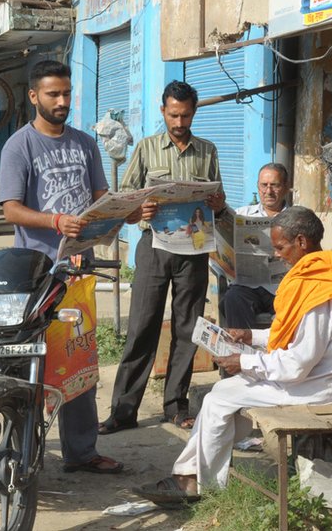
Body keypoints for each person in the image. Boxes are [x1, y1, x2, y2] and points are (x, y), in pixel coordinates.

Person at [134, 206, 332, 502]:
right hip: (320, 377)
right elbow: (294, 337)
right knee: (221, 395)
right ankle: (192, 477)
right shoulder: (323, 273)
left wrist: (244, 362)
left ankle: (196, 483)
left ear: (301, 242)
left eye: (280, 247)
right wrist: (250, 336)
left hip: (321, 387)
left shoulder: (318, 291)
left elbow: (295, 365)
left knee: (219, 397)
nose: (277, 254)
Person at [0, 60, 122, 475]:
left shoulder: (86, 143)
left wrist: (128, 212)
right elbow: (11, 209)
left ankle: (81, 452)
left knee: (79, 361)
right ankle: (21, 451)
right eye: (53, 94)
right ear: (34, 96)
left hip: (78, 273)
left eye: (67, 93)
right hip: (34, 273)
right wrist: (53, 220)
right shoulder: (20, 145)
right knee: (30, 361)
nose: (63, 101)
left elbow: (101, 196)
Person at [99, 80, 227, 434]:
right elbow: (124, 198)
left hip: (194, 250)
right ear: (162, 111)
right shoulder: (145, 148)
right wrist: (141, 207)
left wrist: (217, 202)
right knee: (142, 326)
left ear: (194, 112)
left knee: (188, 329)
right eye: (173, 115)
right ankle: (123, 412)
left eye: (185, 115)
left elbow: (218, 195)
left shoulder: (207, 151)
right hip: (153, 248)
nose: (179, 122)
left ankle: (176, 406)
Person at [221, 162, 291, 329]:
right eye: (264, 185)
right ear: (257, 186)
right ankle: (240, 352)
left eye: (274, 185)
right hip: (247, 287)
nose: (268, 191)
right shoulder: (241, 214)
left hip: (283, 288)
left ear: (286, 187)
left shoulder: (297, 217)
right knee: (232, 298)